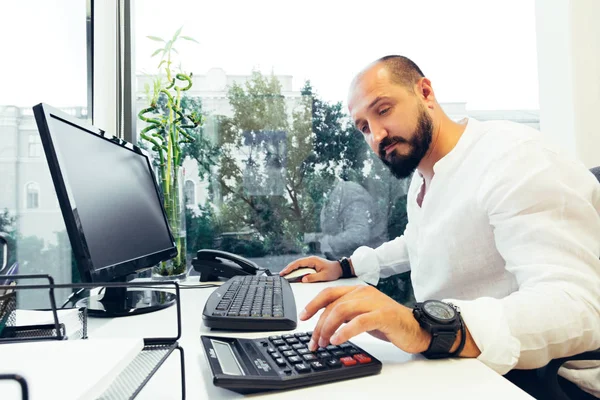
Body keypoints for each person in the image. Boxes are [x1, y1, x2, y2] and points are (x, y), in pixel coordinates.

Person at [280, 55, 600, 398]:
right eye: (363, 127)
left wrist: (429, 327)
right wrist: (344, 267)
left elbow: (579, 304)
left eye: (384, 110)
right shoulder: (423, 178)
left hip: (540, 378)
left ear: (425, 92)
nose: (376, 136)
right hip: (458, 361)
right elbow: (417, 241)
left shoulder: (515, 157)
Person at [306, 176, 388, 260]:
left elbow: (359, 235)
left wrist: (325, 243)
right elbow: (336, 232)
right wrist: (310, 238)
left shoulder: (350, 193)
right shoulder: (330, 195)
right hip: (345, 263)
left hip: (369, 264)